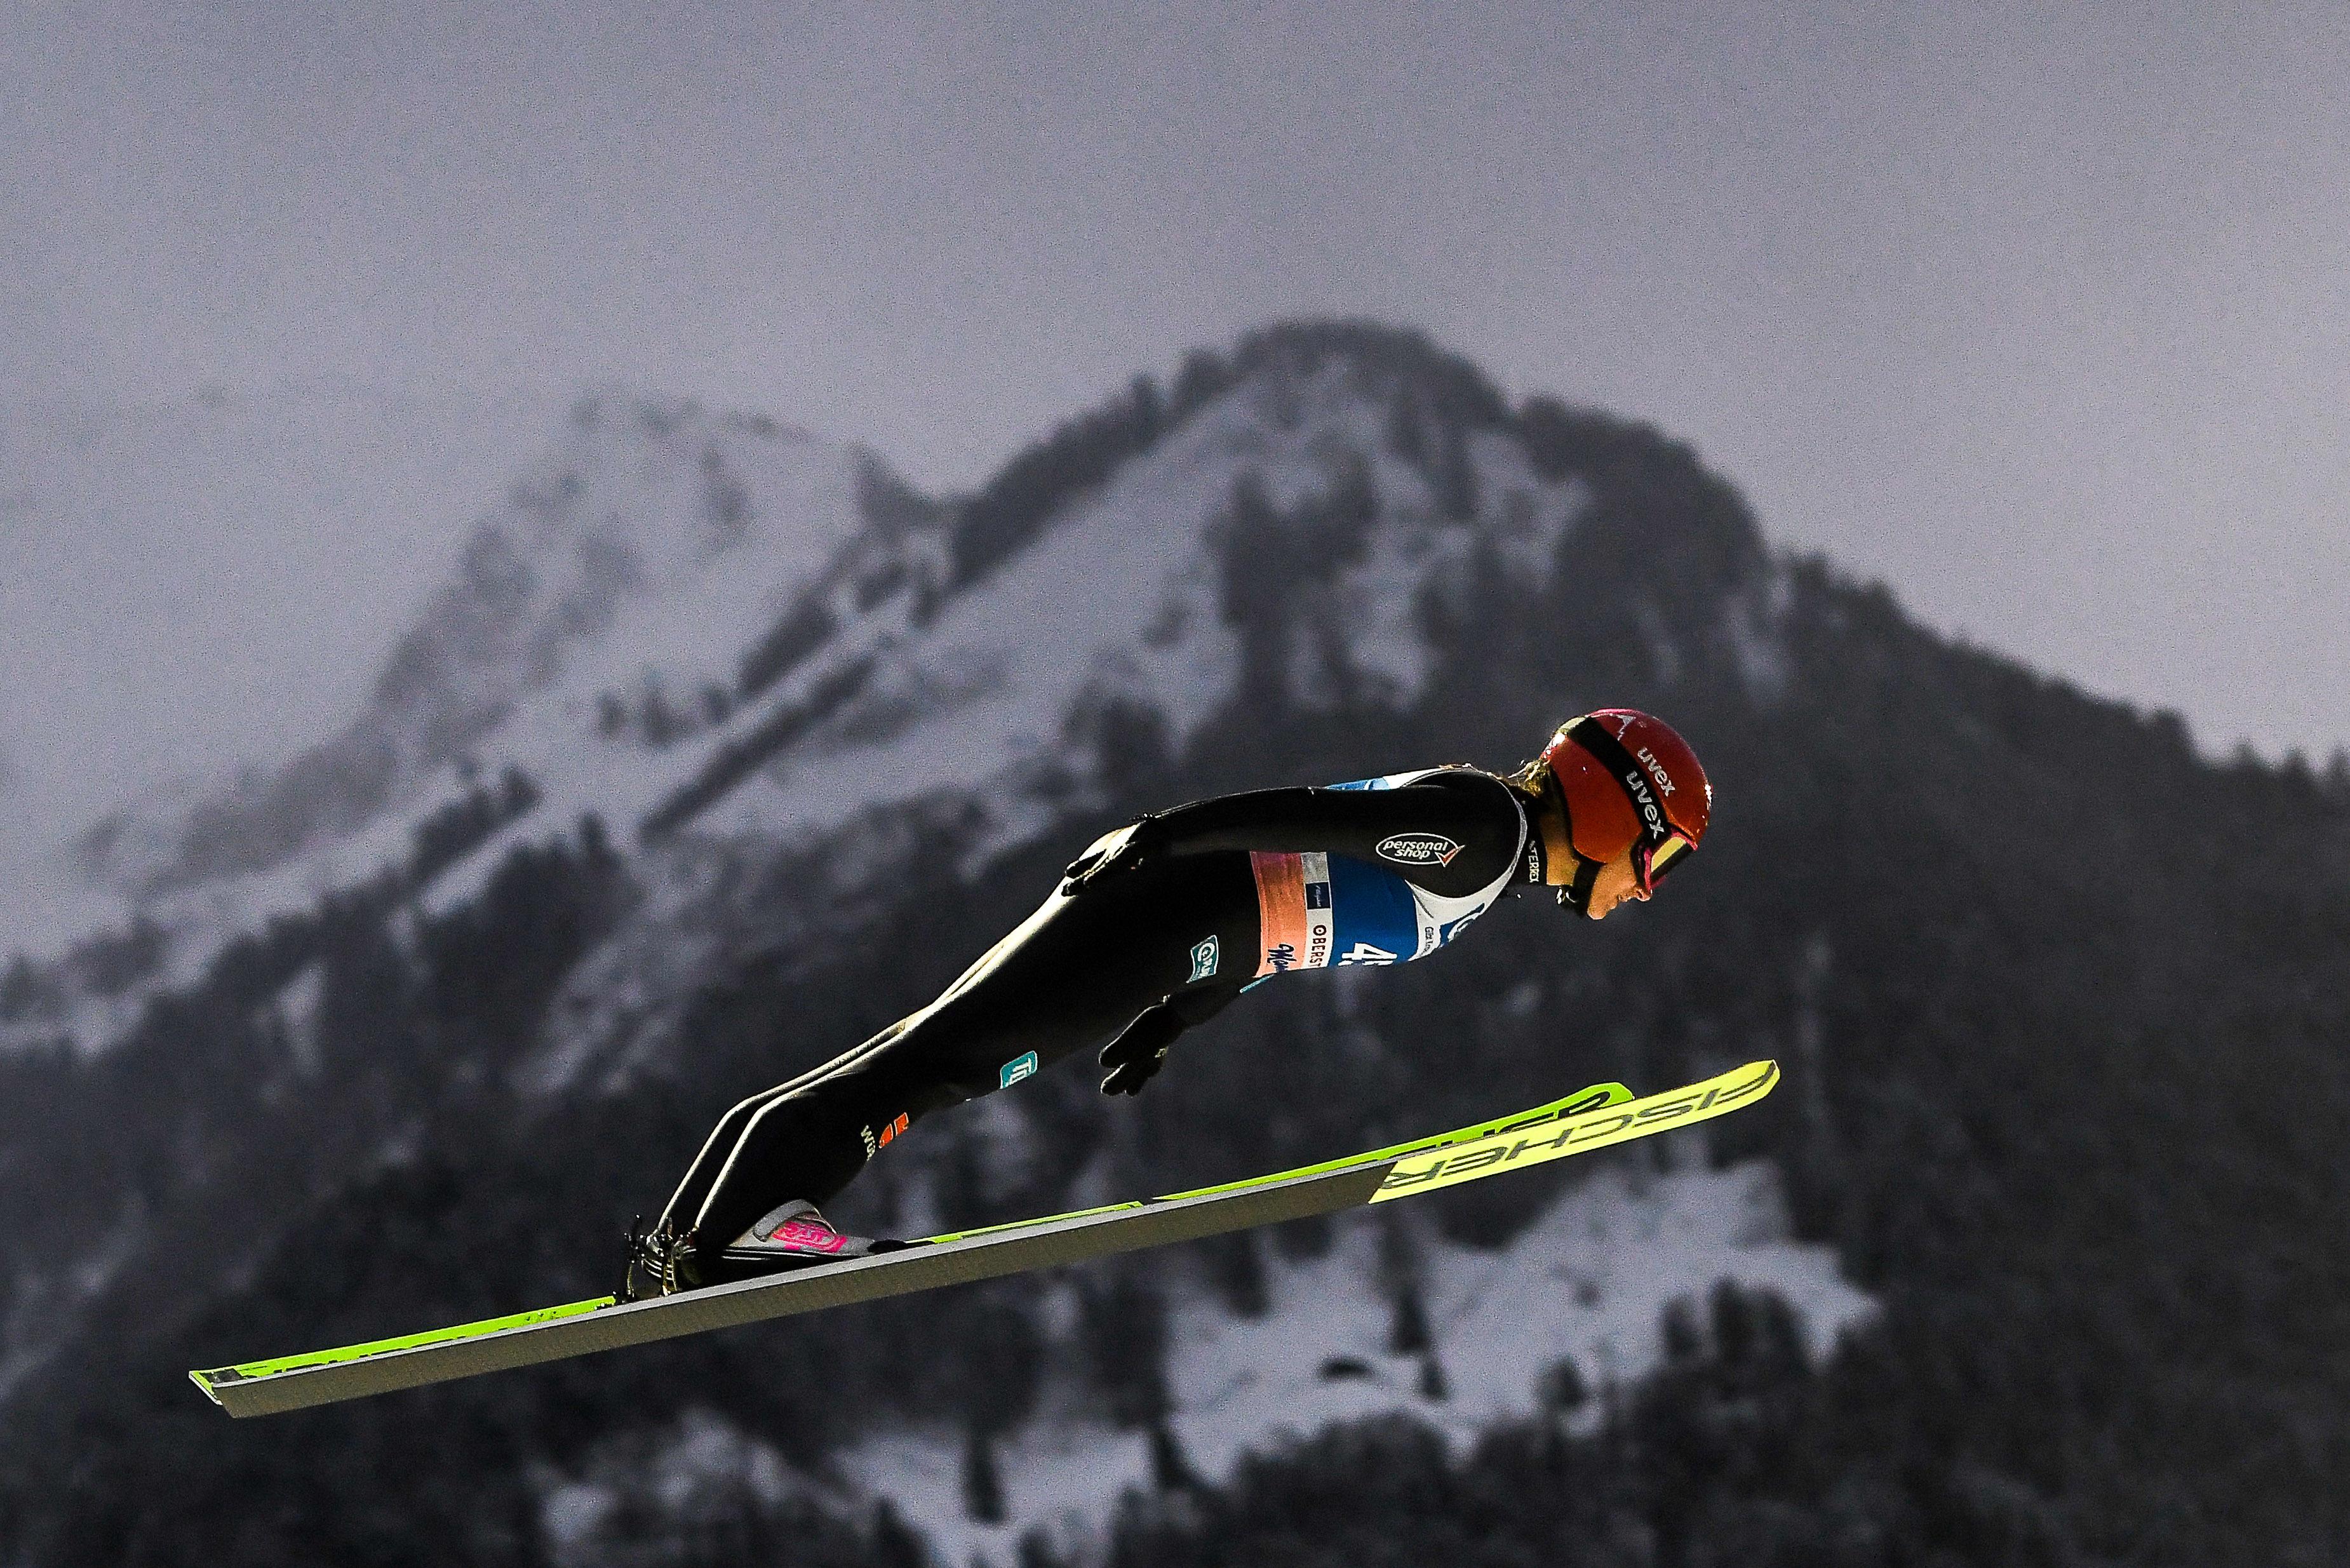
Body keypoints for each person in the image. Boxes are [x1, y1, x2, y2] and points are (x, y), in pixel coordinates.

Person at [622, 709, 1711, 1297]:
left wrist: (1180, 1013)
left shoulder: (1491, 850)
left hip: (1172, 936)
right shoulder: (1484, 833)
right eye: (1656, 858)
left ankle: (686, 1242)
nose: (1645, 888)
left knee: (929, 1049)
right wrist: (1165, 834)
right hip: (1160, 909)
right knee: (945, 1061)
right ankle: (746, 1231)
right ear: (1621, 812)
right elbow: (1312, 819)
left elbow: (1294, 906)